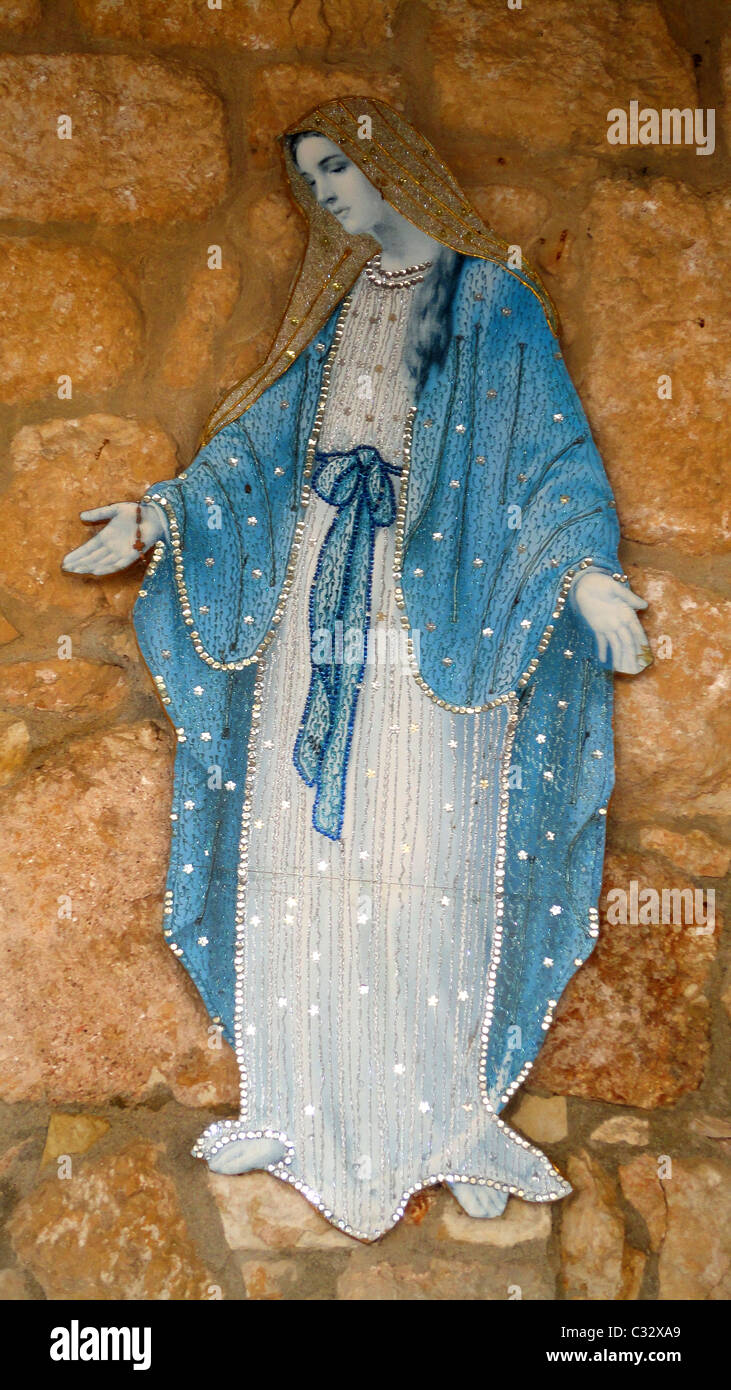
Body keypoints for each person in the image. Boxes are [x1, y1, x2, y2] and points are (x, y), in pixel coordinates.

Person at [63, 97, 650, 1242]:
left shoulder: (494, 306)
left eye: (337, 168)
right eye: (310, 181)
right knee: (300, 848)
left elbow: (550, 464)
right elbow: (252, 454)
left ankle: (440, 1118)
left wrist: (582, 578)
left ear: (391, 161)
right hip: (313, 609)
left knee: (426, 849)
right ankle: (295, 1100)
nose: (327, 194)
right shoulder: (331, 316)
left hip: (435, 619)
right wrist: (157, 515)